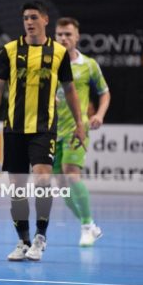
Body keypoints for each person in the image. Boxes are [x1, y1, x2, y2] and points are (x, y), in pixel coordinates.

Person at [0, 1, 86, 262]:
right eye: (25, 18)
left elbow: (70, 90)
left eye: (33, 17)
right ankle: (23, 241)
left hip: (44, 128)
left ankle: (40, 237)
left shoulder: (59, 53)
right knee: (17, 188)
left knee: (42, 180)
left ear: (45, 20)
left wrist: (79, 124)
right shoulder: (9, 50)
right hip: (14, 128)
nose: (29, 22)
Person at [54, 17, 110, 246]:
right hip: (51, 131)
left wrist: (99, 115)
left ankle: (86, 228)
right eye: (60, 34)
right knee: (63, 189)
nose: (63, 38)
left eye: (68, 34)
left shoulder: (89, 65)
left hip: (77, 129)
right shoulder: (48, 64)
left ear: (77, 37)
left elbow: (105, 93)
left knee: (71, 173)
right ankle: (90, 225)